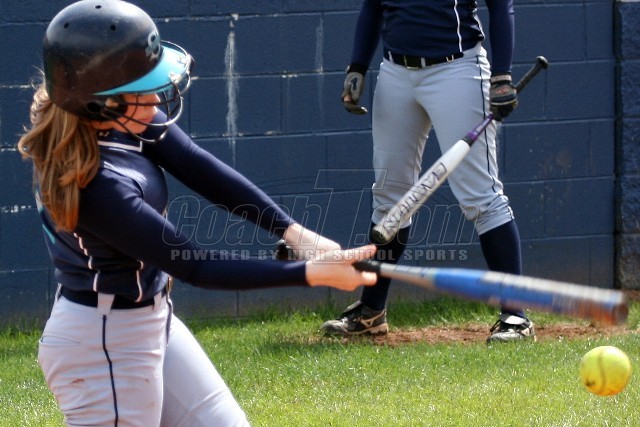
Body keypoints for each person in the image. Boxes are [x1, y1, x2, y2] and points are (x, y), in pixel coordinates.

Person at [18, 1, 377, 426]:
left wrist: (296, 234)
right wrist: (313, 274)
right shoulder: (95, 185)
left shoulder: (122, 121)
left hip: (151, 319)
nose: (156, 98)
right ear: (101, 103)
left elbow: (198, 167)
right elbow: (195, 265)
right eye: (142, 87)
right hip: (103, 344)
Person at [321, 0, 536, 343]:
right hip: (395, 72)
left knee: (481, 197)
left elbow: (500, 5)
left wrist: (502, 75)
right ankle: (371, 311)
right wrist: (357, 65)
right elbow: (373, 6)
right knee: (390, 198)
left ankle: (515, 316)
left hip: (457, 70)